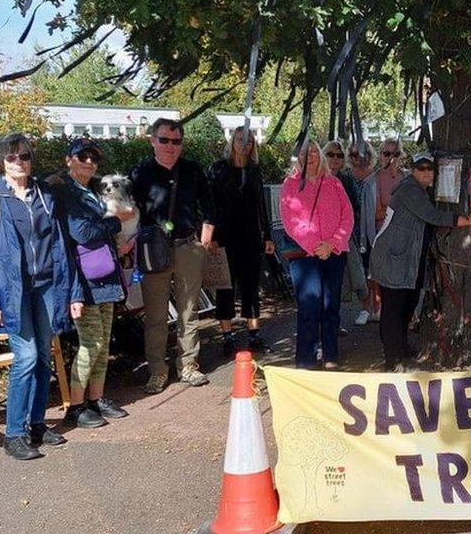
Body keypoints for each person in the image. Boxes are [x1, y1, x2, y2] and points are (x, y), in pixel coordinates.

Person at [0, 133, 82, 459]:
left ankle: (36, 424)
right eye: (11, 157)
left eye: (24, 156)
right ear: (1, 161)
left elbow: (62, 245)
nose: (18, 162)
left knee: (45, 356)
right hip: (12, 290)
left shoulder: (45, 195)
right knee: (27, 357)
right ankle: (14, 433)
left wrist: (71, 290)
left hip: (46, 285)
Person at [48, 139, 133, 428]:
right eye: (82, 156)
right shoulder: (64, 191)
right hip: (82, 279)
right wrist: (116, 222)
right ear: (68, 159)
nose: (89, 161)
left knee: (102, 342)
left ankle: (96, 399)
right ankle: (75, 406)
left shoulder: (94, 189)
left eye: (93, 157)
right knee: (90, 342)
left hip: (104, 274)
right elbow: (81, 232)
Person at [129, 118, 217, 394]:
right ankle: (157, 370)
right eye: (164, 140)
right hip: (154, 250)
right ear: (153, 140)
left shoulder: (192, 170)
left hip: (188, 247)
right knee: (155, 315)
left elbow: (210, 206)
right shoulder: (140, 172)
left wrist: (205, 238)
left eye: (176, 141)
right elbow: (129, 211)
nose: (170, 146)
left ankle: (188, 365)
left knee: (189, 311)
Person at [369, 152, 471, 372]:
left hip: (408, 261)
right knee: (393, 310)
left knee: (407, 307)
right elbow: (432, 216)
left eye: (429, 168)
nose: (425, 172)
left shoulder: (420, 190)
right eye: (420, 168)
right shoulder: (409, 189)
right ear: (413, 170)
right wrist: (465, 221)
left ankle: (401, 347)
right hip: (392, 259)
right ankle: (392, 359)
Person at [280, 141, 354, 370]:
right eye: (304, 152)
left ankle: (331, 354)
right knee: (309, 306)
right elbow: (290, 221)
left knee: (330, 305)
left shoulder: (334, 182)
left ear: (319, 155)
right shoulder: (290, 184)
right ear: (298, 157)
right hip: (305, 255)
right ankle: (306, 359)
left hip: (334, 252)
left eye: (313, 151)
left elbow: (348, 215)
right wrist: (315, 245)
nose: (310, 156)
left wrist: (332, 244)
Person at [207, 127, 275, 356]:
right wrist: (212, 237)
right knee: (225, 287)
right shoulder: (218, 169)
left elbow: (261, 207)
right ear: (232, 141)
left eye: (248, 141)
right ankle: (227, 336)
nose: (243, 145)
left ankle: (253, 333)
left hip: (251, 238)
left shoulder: (255, 170)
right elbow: (210, 205)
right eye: (239, 140)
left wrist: (267, 236)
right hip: (225, 238)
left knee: (250, 287)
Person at [357, 138, 405, 325]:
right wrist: (400, 209)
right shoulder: (372, 181)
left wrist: (391, 208)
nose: (390, 158)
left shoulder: (408, 178)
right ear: (380, 155)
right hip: (380, 234)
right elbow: (376, 213)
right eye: (386, 153)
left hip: (405, 234)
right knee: (379, 274)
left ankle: (405, 313)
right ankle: (378, 309)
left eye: (395, 154)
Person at [325, 140, 368, 337]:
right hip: (318, 240)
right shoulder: (316, 178)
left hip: (342, 238)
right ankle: (321, 327)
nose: (335, 159)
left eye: (339, 155)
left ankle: (334, 323)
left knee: (339, 282)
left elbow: (355, 207)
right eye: (331, 154)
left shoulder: (346, 179)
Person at [345, 141, 376, 326]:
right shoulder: (348, 178)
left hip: (373, 226)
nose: (358, 158)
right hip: (354, 229)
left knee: (375, 271)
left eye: (362, 154)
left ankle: (376, 307)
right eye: (354, 155)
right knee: (360, 270)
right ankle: (365, 307)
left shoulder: (375, 176)